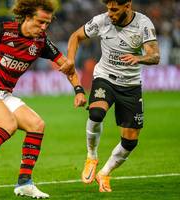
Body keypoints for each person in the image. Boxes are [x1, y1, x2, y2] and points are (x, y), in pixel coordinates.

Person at [0, 0, 87, 198]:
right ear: (28, 17)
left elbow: (67, 66)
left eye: (47, 23)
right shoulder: (2, 31)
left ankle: (24, 183)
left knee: (37, 124)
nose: (44, 27)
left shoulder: (41, 42)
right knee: (8, 124)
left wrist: (78, 89)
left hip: (4, 94)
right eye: (40, 22)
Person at [67, 0, 160, 192]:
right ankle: (91, 157)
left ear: (128, 5)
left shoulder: (144, 24)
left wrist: (139, 58)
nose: (110, 14)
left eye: (115, 10)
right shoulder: (101, 21)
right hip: (105, 78)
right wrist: (70, 60)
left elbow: (155, 56)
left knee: (130, 141)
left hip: (131, 86)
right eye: (109, 9)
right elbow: (75, 36)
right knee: (96, 114)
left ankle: (104, 173)